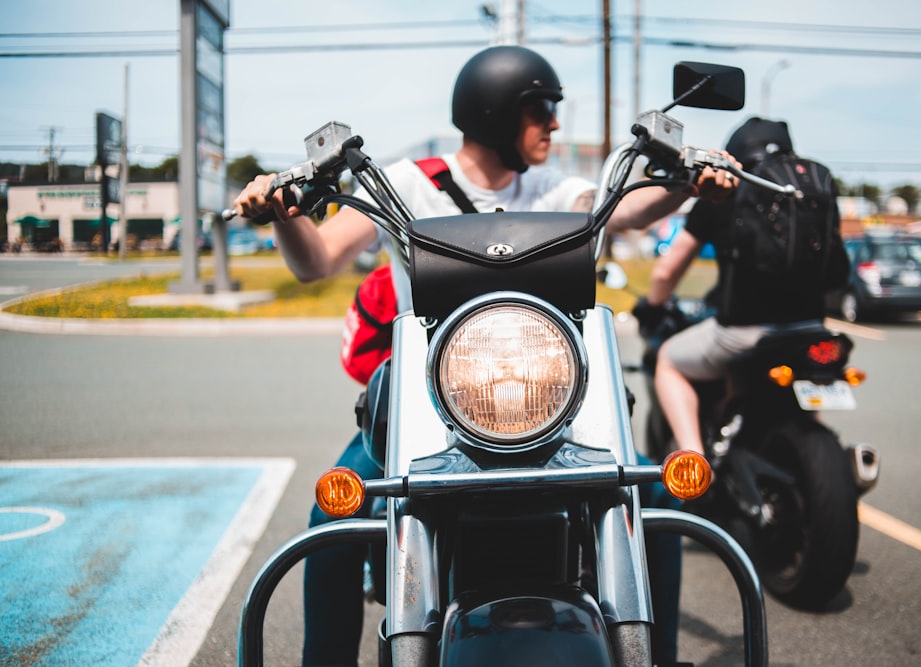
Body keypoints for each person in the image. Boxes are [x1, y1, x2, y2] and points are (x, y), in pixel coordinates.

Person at [232, 45, 738, 667]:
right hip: (429, 398)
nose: (554, 123)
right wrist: (281, 215)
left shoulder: (558, 187)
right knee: (333, 518)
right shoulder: (407, 183)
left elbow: (628, 210)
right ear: (497, 112)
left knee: (652, 497)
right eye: (541, 109)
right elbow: (317, 260)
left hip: (554, 394)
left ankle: (655, 656)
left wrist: (687, 186)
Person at [638, 116, 848, 457]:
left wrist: (653, 305)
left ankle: (694, 463)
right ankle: (811, 435)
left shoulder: (723, 190)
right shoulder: (808, 190)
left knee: (669, 361)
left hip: (743, 334)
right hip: (811, 330)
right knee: (805, 382)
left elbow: (667, 271)